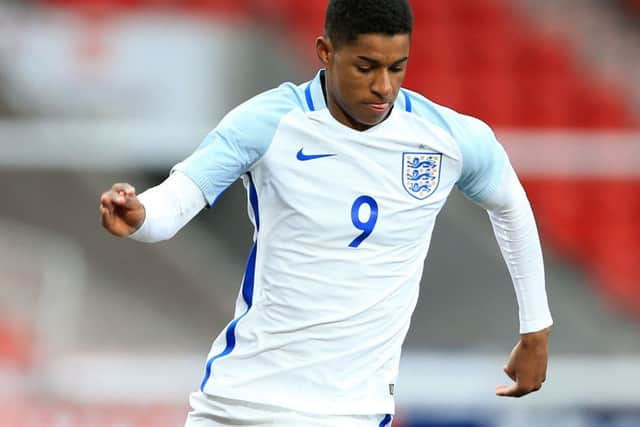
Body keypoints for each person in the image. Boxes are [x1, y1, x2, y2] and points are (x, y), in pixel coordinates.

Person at [99, 0, 553, 425]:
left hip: (352, 410)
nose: (383, 86)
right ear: (325, 51)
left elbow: (510, 205)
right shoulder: (269, 121)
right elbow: (179, 197)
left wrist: (536, 328)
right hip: (242, 402)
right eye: (365, 67)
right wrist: (141, 216)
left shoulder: (446, 138)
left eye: (397, 68)